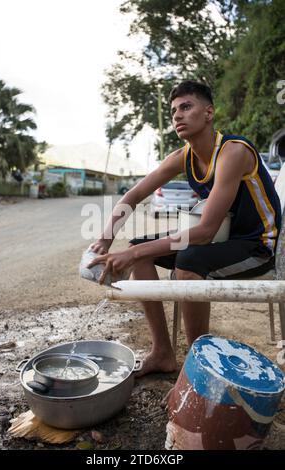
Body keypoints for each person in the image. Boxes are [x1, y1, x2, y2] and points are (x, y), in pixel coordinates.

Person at [89, 80, 282, 377]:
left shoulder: (233, 152)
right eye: (174, 110)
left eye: (186, 107)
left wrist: (136, 251)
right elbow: (133, 196)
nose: (177, 115)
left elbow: (205, 231)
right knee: (139, 253)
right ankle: (162, 354)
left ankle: (198, 369)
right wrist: (104, 239)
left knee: (188, 262)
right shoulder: (183, 157)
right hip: (225, 239)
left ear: (208, 113)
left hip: (258, 246)